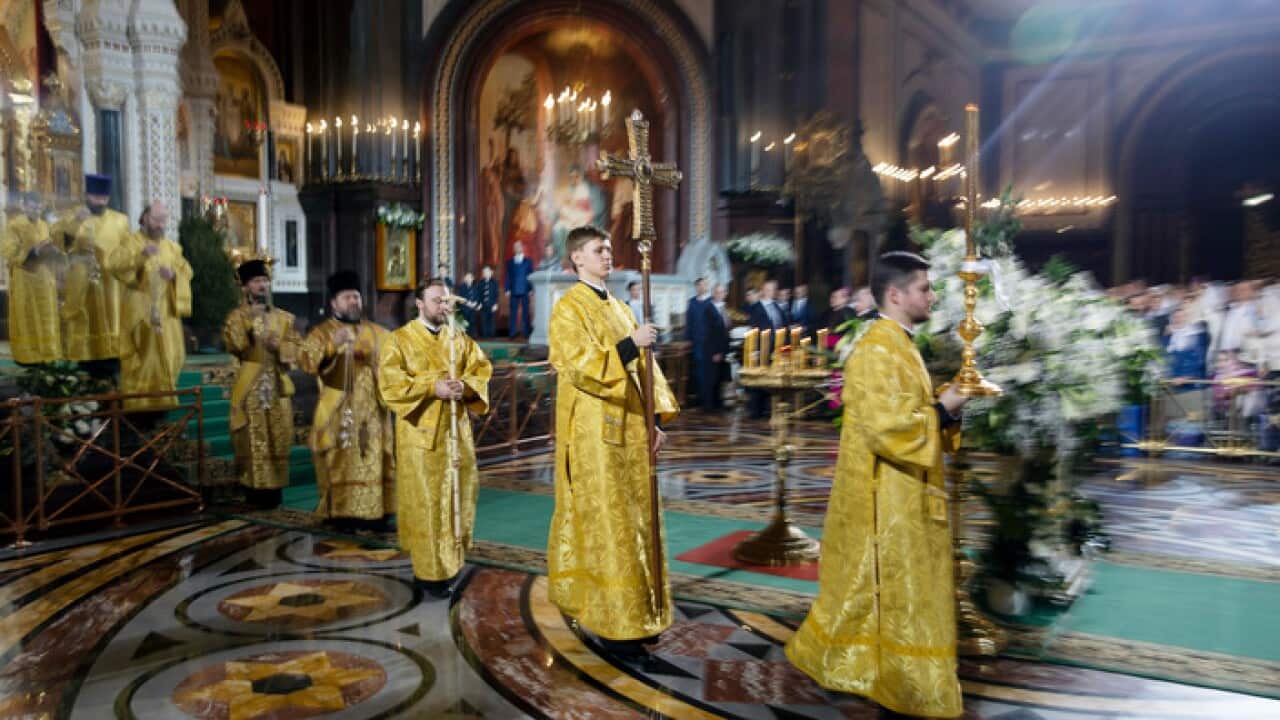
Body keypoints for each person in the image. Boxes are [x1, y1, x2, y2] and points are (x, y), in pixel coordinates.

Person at [786, 251, 970, 719]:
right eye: (924, 288)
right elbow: (886, 427)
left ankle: (899, 676)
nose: (932, 296)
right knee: (891, 589)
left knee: (905, 590)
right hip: (885, 496)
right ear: (895, 294)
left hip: (907, 488)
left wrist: (946, 409)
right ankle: (898, 682)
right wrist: (943, 409)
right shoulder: (876, 349)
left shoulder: (902, 343)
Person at [547, 225, 679, 657]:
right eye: (598, 250)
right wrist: (630, 344)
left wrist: (653, 419)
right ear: (577, 260)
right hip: (595, 436)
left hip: (630, 429)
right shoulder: (568, 308)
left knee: (636, 524)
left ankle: (639, 615)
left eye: (608, 248)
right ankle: (609, 621)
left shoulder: (621, 307)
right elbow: (578, 364)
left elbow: (645, 368)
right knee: (606, 526)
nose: (607, 255)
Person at [379, 279, 492, 597]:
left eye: (447, 301)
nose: (444, 306)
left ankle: (452, 563)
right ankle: (429, 573)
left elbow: (481, 367)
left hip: (456, 435)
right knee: (428, 504)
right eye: (437, 300)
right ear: (419, 303)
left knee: (458, 497)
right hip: (421, 438)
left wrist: (465, 386)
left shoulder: (458, 338)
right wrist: (433, 387)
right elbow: (390, 385)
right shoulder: (398, 341)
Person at [298, 271, 394, 530]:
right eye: (347, 297)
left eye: (356, 296)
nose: (354, 301)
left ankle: (378, 513)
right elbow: (306, 361)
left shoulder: (377, 333)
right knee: (339, 460)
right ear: (334, 303)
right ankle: (340, 513)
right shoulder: (321, 333)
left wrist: (375, 361)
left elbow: (395, 364)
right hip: (338, 411)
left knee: (374, 457)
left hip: (372, 412)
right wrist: (332, 345)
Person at [223, 259, 302, 508]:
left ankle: (275, 490)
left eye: (265, 280)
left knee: (279, 435)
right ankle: (254, 492)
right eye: (257, 281)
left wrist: (280, 348)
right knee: (252, 436)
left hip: (276, 385)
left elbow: (297, 348)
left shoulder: (284, 318)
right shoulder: (236, 317)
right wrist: (249, 328)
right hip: (250, 387)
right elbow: (234, 345)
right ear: (246, 287)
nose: (262, 285)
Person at [106, 202, 192, 411]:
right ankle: (140, 404)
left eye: (164, 220)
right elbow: (114, 266)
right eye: (156, 219)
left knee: (171, 354)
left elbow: (186, 271)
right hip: (140, 311)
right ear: (144, 217)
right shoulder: (130, 242)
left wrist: (174, 277)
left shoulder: (172, 248)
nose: (160, 225)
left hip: (167, 314)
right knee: (142, 357)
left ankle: (165, 400)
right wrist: (141, 255)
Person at [59, 174, 129, 377]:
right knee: (86, 323)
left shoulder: (120, 220)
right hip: (82, 282)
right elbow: (61, 244)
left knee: (111, 322)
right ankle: (84, 366)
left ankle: (111, 366)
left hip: (111, 284)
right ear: (87, 195)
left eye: (103, 198)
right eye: (95, 197)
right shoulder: (73, 216)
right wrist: (73, 224)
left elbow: (126, 251)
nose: (99, 201)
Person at [1, 192, 62, 364]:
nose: (36, 210)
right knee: (28, 317)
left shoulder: (44, 225)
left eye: (39, 206)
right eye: (32, 206)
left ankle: (48, 354)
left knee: (46, 316)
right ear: (24, 206)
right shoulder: (14, 225)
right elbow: (8, 251)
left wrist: (54, 251)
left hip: (45, 278)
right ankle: (29, 356)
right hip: (25, 278)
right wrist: (33, 250)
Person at [747, 279, 785, 417]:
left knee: (770, 380)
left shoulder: (777, 306)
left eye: (774, 289)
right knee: (758, 379)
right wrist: (755, 350)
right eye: (768, 289)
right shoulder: (755, 308)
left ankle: (767, 409)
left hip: (776, 349)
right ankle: (755, 411)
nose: (771, 292)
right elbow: (753, 330)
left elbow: (783, 326)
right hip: (760, 349)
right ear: (762, 290)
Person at [699, 283, 731, 412]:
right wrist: (715, 352)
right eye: (718, 292)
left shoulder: (723, 307)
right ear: (713, 293)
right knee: (711, 379)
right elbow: (708, 333)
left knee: (719, 378)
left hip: (722, 349)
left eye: (722, 292)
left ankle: (718, 403)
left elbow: (725, 328)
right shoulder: (708, 309)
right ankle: (709, 406)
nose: (720, 294)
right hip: (712, 350)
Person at [684, 278, 710, 407]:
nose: (701, 287)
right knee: (699, 371)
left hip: (710, 342)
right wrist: (688, 339)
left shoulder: (711, 302)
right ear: (696, 287)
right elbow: (689, 323)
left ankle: (709, 399)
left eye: (703, 285)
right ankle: (701, 398)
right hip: (697, 342)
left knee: (709, 371)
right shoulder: (692, 302)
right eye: (699, 285)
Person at [505, 240, 534, 338]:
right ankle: (512, 333)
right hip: (513, 290)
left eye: (519, 246)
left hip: (525, 289)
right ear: (514, 249)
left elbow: (530, 276)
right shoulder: (510, 262)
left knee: (526, 312)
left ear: (522, 248)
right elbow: (508, 276)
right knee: (513, 312)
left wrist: (531, 289)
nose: (517, 248)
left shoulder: (528, 261)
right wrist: (507, 289)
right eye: (515, 247)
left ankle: (526, 332)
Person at [476, 265, 499, 338]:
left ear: (491, 272)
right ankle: (485, 336)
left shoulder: (494, 282)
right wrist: (479, 303)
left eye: (487, 271)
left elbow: (496, 294)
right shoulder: (480, 283)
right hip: (483, 305)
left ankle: (491, 335)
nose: (486, 273)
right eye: (484, 272)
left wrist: (495, 304)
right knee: (484, 320)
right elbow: (478, 294)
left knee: (491, 320)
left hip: (492, 305)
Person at [457, 271, 477, 335]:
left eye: (469, 277)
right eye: (467, 277)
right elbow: (460, 298)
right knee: (465, 326)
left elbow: (477, 296)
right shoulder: (462, 287)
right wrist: (468, 303)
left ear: (472, 278)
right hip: (464, 309)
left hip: (473, 309)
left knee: (472, 325)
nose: (468, 279)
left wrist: (476, 303)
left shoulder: (475, 287)